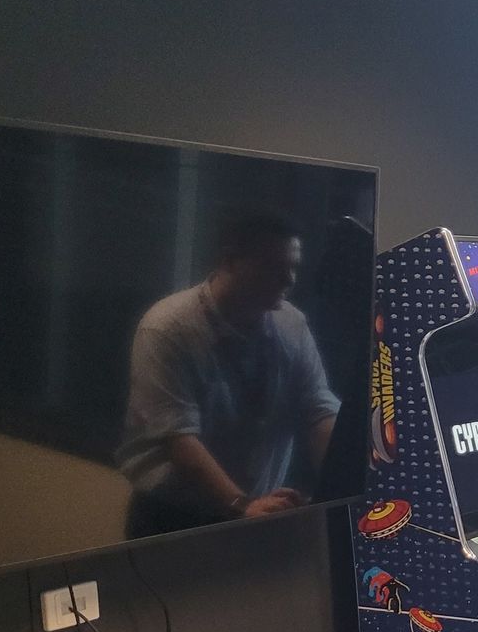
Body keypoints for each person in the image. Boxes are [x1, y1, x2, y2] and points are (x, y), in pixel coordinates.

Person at [118, 211, 341, 536]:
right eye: (274, 267)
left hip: (254, 510)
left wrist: (342, 484)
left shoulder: (291, 325)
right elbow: (179, 439)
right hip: (172, 516)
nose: (289, 280)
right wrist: (239, 503)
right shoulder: (167, 329)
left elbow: (319, 410)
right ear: (230, 261)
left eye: (293, 267)